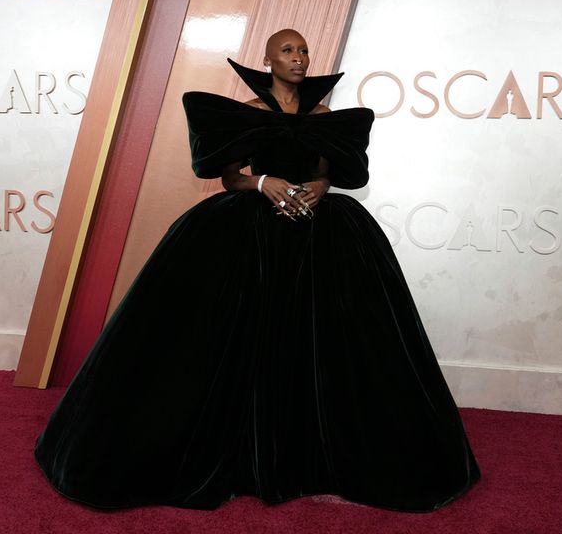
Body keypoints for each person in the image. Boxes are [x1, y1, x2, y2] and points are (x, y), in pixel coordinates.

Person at [34, 29, 480, 512]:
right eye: (288, 51)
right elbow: (228, 177)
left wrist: (320, 187)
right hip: (249, 233)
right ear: (268, 60)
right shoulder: (245, 111)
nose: (299, 58)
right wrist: (263, 182)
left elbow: (330, 171)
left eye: (304, 50)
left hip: (320, 233)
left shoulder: (326, 117)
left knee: (332, 337)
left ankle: (321, 452)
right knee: (220, 334)